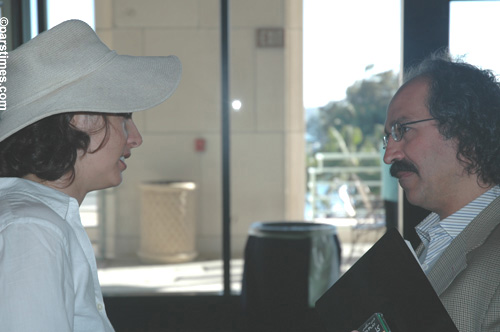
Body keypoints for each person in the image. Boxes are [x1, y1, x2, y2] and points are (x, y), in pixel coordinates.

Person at [0, 20, 181, 331]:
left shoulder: (35, 219)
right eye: (124, 117)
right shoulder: (32, 229)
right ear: (79, 120)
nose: (135, 138)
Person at [380, 51, 500, 331]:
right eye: (387, 137)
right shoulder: (431, 241)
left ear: (464, 131)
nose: (389, 154)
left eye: (403, 129)